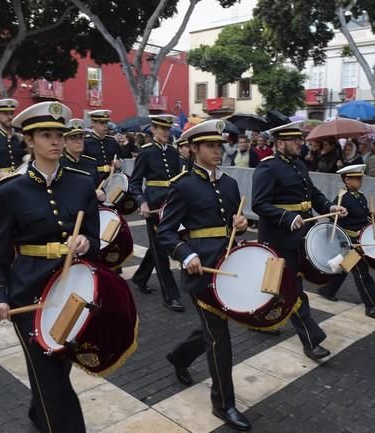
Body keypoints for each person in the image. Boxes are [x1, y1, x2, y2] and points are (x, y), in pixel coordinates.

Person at [0, 101, 100, 433]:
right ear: (29, 142)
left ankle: (40, 414)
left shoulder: (81, 182)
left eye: (59, 135)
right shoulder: (10, 191)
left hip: (73, 290)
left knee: (57, 367)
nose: (55, 142)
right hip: (29, 292)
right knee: (54, 382)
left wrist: (87, 243)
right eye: (46, 135)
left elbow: (95, 237)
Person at [158, 119, 251, 431]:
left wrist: (241, 225)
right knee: (219, 336)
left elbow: (235, 224)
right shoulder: (182, 184)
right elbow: (166, 232)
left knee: (213, 331)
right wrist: (187, 254)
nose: (217, 151)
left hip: (227, 266)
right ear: (194, 149)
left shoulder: (229, 184)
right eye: (210, 146)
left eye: (219, 145)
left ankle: (180, 357)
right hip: (201, 271)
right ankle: (224, 403)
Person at [252, 121, 347, 360]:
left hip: (303, 234)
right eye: (294, 140)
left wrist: (328, 206)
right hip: (279, 237)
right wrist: (286, 217)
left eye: (300, 139)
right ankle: (311, 339)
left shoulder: (299, 165)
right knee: (293, 288)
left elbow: (312, 194)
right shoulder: (267, 168)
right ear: (280, 143)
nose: (299, 143)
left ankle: (261, 320)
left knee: (278, 285)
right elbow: (259, 204)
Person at [317, 164, 375, 318]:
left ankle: (327, 289)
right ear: (347, 180)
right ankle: (371, 305)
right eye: (357, 178)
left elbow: (363, 218)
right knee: (361, 272)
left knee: (346, 266)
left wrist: (372, 216)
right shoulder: (342, 197)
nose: (360, 181)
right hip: (349, 241)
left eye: (361, 178)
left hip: (359, 239)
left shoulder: (360, 196)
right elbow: (333, 218)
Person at [128, 114, 184, 311]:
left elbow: (178, 179)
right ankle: (171, 296)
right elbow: (134, 183)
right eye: (162, 129)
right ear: (153, 130)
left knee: (158, 245)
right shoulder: (146, 152)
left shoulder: (173, 152)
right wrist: (142, 202)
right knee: (161, 251)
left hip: (172, 204)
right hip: (153, 206)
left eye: (168, 129)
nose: (166, 133)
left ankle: (140, 277)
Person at [60, 118, 103, 191]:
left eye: (80, 137)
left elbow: (99, 187)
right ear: (64, 142)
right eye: (73, 138)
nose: (79, 141)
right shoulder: (58, 164)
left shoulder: (91, 162)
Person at [83, 109, 121, 181]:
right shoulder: (86, 142)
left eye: (106, 123)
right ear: (93, 123)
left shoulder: (112, 141)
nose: (105, 126)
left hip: (111, 178)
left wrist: (117, 165)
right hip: (92, 179)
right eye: (101, 123)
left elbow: (117, 158)